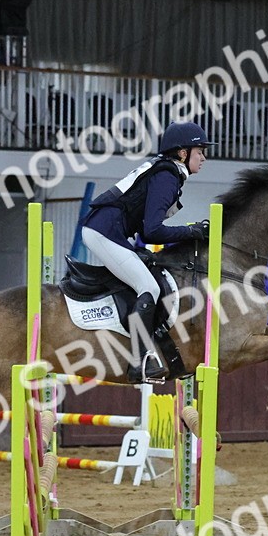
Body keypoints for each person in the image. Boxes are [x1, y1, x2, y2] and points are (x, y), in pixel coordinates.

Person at [80, 121, 214, 383]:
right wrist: (192, 231)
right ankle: (139, 362)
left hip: (108, 229)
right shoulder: (167, 176)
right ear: (183, 153)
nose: (204, 157)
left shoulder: (165, 172)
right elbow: (152, 232)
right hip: (104, 230)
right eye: (200, 151)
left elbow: (146, 231)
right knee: (149, 288)